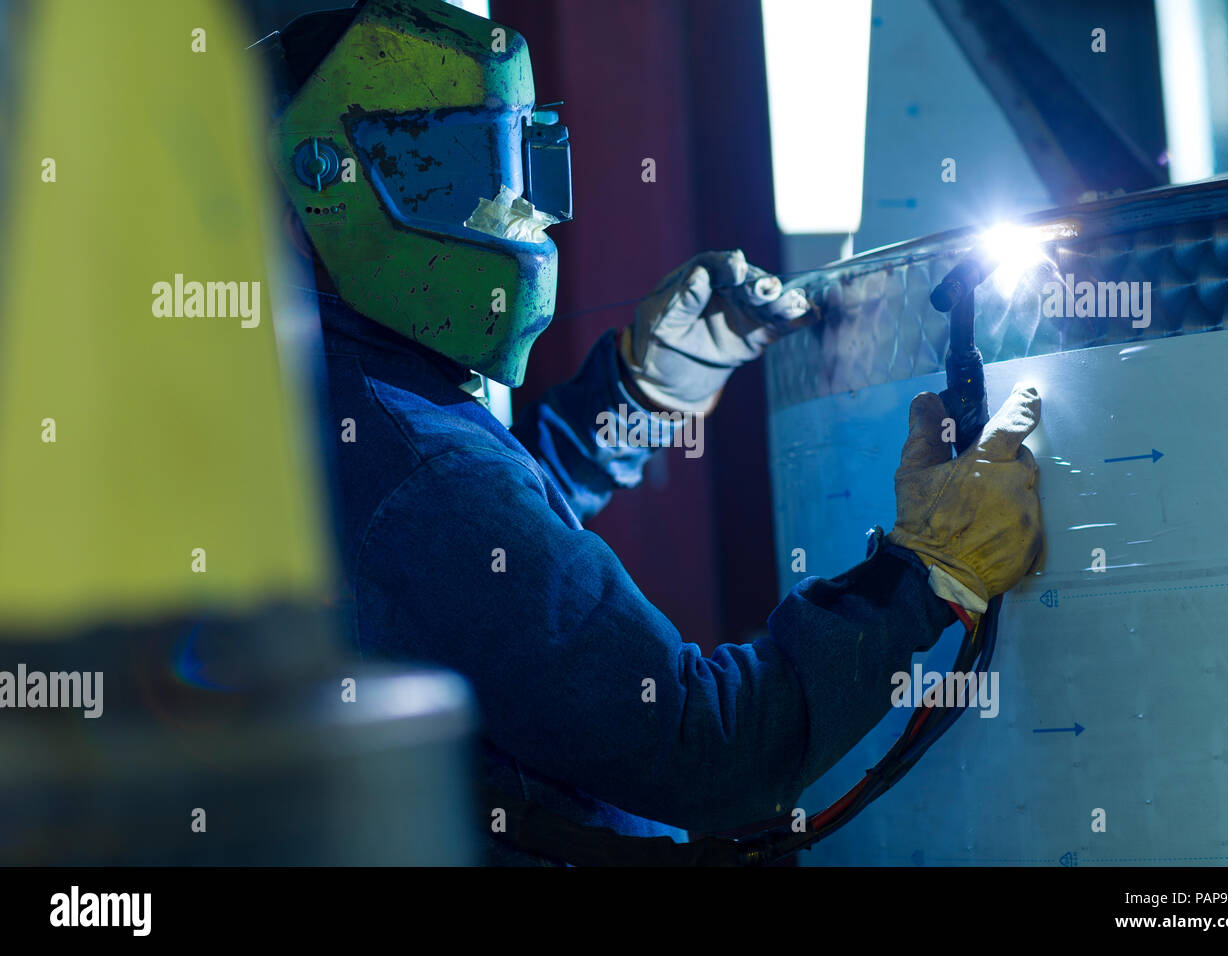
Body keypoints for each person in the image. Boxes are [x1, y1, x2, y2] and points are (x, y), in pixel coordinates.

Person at [258, 0, 1043, 864]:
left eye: (523, 164)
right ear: (320, 184)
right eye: (461, 170)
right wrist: (924, 576)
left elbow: (474, 558)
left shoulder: (320, 404)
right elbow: (708, 747)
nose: (522, 215)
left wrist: (635, 393)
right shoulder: (420, 473)